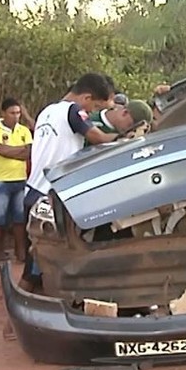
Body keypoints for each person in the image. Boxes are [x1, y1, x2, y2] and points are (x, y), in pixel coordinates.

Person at [17, 73, 118, 297]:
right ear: (86, 97)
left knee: (39, 260)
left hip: (34, 191)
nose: (90, 113)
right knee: (42, 265)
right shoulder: (73, 111)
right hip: (50, 196)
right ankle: (17, 319)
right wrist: (127, 139)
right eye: (93, 107)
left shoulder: (48, 111)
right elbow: (98, 138)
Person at [0, 98, 33, 264]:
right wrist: (21, 150)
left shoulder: (24, 130)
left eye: (18, 113)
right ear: (3, 113)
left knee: (20, 220)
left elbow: (30, 152)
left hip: (21, 179)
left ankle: (21, 254)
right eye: (12, 113)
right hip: (1, 180)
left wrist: (15, 152)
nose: (16, 116)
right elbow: (1, 150)